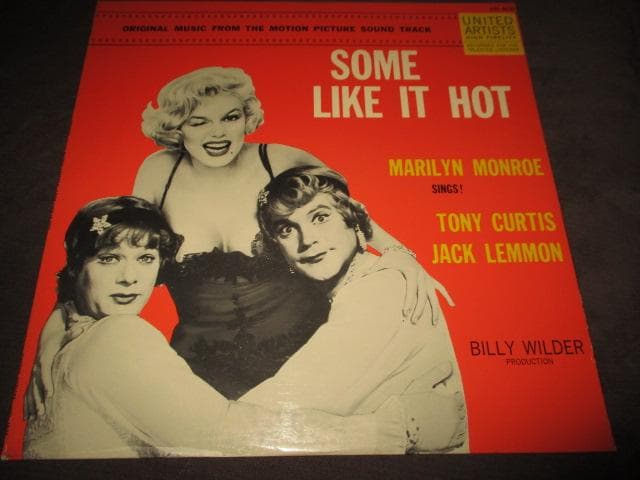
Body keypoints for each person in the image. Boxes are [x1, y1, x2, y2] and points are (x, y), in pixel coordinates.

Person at [27, 66, 453, 409]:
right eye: (199, 121)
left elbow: (348, 216)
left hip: (306, 357)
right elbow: (114, 251)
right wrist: (56, 325)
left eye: (230, 118)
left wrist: (400, 255)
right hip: (198, 370)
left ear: (247, 118)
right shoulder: (159, 172)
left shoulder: (281, 161)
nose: (218, 133)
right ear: (177, 128)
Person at [23, 196, 466, 458]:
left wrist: (400, 253)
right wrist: (400, 428)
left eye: (145, 259)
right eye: (109, 259)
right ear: (77, 266)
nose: (129, 278)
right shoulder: (117, 337)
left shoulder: (73, 342)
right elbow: (226, 438)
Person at [243, 166, 468, 452]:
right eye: (286, 229)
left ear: (352, 220)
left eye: (320, 217)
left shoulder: (379, 291)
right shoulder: (361, 287)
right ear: (279, 249)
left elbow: (262, 421)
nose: (307, 240)